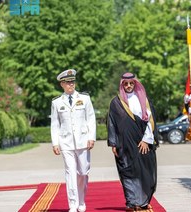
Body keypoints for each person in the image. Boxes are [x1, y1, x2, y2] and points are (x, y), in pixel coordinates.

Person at [107, 72, 158, 211]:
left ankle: (142, 202)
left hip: (142, 143)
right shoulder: (116, 102)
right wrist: (113, 143)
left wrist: (146, 140)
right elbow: (111, 123)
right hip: (124, 144)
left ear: (135, 84)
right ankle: (131, 202)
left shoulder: (144, 100)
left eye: (131, 83)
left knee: (144, 172)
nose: (129, 86)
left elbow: (150, 122)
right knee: (127, 172)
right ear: (122, 85)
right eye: (126, 84)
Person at [50, 69, 96, 212]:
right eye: (68, 82)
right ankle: (73, 204)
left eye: (73, 81)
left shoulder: (85, 98)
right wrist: (55, 143)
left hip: (83, 141)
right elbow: (55, 124)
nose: (71, 84)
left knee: (83, 172)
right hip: (66, 142)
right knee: (70, 172)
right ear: (62, 84)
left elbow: (91, 118)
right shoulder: (57, 102)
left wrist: (91, 137)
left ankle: (82, 200)